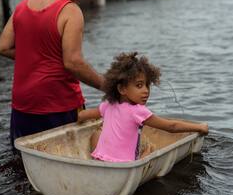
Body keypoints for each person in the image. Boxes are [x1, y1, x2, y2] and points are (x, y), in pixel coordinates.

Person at [0, 0, 105, 151]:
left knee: (24, 162)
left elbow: (3, 47)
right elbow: (73, 62)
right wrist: (107, 86)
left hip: (23, 104)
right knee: (65, 161)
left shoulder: (22, 6)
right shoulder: (70, 11)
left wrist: (35, 56)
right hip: (57, 104)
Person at [77, 52, 209, 162]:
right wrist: (199, 127)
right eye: (139, 86)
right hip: (124, 166)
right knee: (150, 150)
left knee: (96, 133)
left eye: (147, 85)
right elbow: (171, 126)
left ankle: (98, 157)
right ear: (122, 89)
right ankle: (144, 155)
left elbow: (81, 115)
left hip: (100, 161)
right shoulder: (138, 111)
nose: (146, 91)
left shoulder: (108, 105)